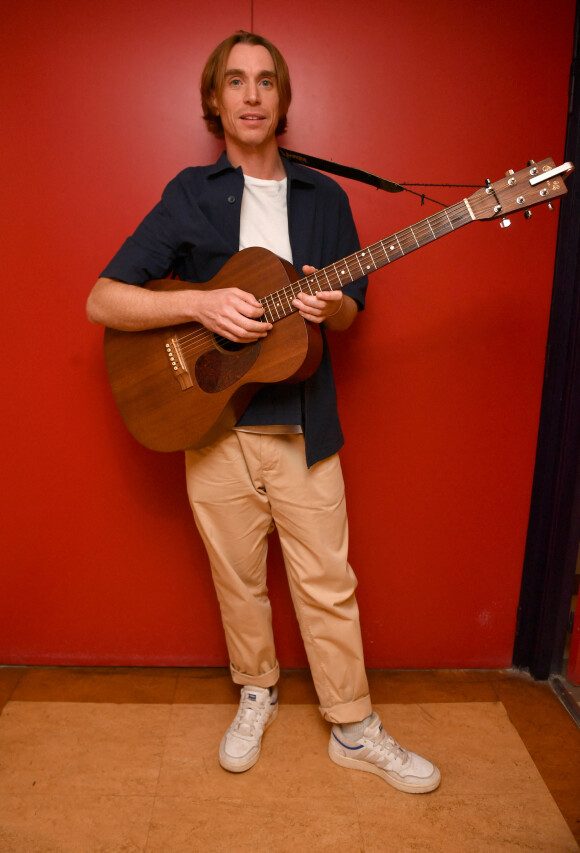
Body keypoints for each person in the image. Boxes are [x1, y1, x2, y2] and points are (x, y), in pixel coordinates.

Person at [86, 30, 440, 794]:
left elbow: (350, 317)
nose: (252, 95)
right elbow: (101, 298)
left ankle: (353, 726)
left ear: (282, 101)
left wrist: (335, 302)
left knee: (327, 580)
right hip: (209, 424)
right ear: (215, 101)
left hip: (303, 420)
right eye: (237, 82)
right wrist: (204, 299)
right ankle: (257, 689)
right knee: (237, 577)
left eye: (266, 82)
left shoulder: (327, 198)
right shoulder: (188, 192)